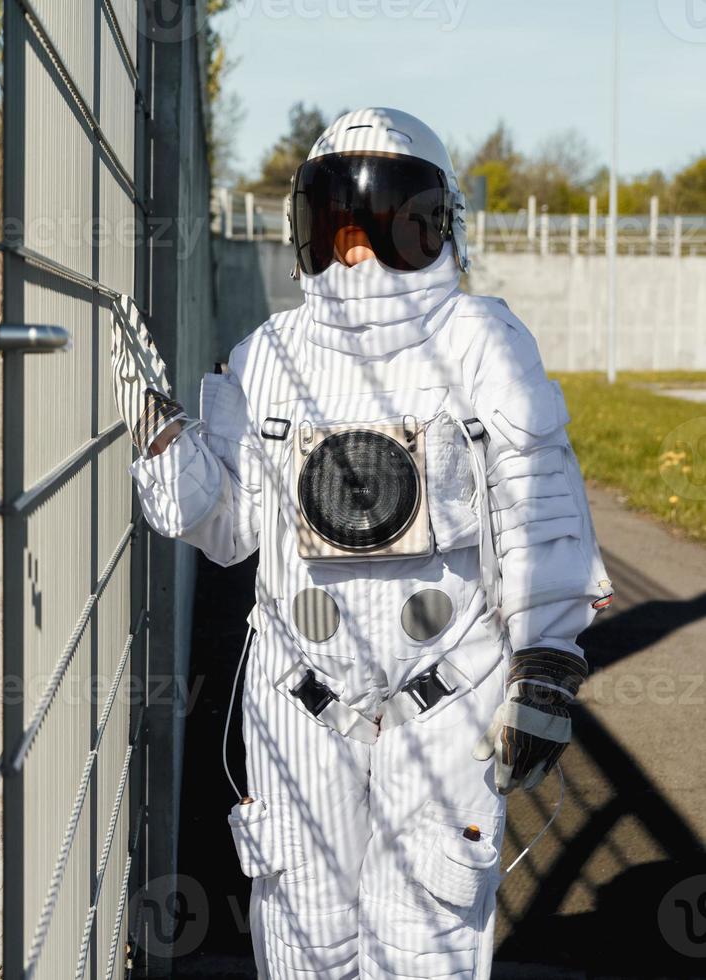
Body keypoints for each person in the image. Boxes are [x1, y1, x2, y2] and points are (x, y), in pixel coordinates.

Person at [111, 107, 612, 978]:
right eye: (340, 231)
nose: (359, 257)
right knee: (302, 934)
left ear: (432, 226)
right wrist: (165, 445)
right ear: (307, 231)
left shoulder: (483, 344)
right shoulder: (270, 357)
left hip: (446, 685)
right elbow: (226, 529)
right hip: (300, 690)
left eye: (383, 228)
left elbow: (538, 501)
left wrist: (544, 663)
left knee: (426, 940)